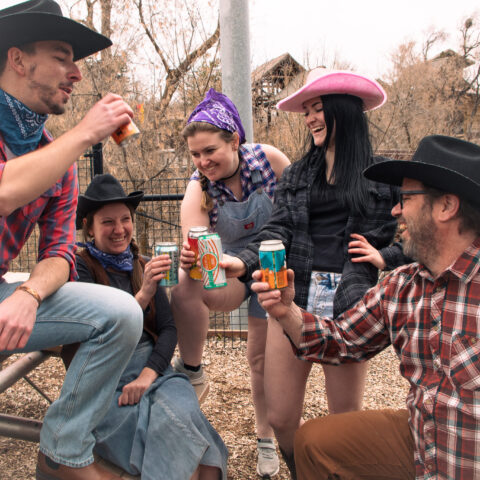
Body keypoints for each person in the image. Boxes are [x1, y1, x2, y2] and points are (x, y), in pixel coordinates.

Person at [252, 134, 480, 480]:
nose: (394, 210)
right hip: (422, 441)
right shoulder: (403, 287)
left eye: (405, 199)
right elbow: (340, 341)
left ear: (446, 207)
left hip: (467, 458)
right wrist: (286, 312)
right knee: (315, 441)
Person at [223, 67, 408, 477]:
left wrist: (385, 257)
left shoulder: (383, 177)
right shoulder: (298, 174)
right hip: (294, 295)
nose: (309, 118)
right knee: (282, 417)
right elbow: (278, 230)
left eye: (317, 108)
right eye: (306, 110)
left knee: (345, 422)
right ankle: (302, 472)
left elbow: (420, 234)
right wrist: (243, 262)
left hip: (350, 304)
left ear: (345, 110)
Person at [0, 2, 144, 479]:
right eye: (63, 56)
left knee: (122, 312)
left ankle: (62, 450)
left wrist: (29, 292)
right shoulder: (67, 148)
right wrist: (84, 133)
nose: (76, 73)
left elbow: (61, 253)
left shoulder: (56, 158)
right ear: (19, 60)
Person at [74, 174, 228, 480]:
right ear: (89, 227)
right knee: (190, 452)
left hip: (155, 371)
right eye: (107, 222)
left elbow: (169, 329)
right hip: (106, 379)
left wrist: (149, 375)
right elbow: (96, 331)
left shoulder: (141, 264)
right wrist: (144, 293)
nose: (119, 230)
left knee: (204, 460)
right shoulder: (79, 267)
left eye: (125, 219)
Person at [170, 88, 290, 478]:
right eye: (195, 154)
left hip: (272, 269)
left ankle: (266, 440)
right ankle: (192, 368)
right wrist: (191, 257)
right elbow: (194, 239)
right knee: (184, 285)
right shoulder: (198, 186)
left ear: (235, 140)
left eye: (210, 151)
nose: (203, 162)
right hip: (228, 272)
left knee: (259, 359)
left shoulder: (271, 161)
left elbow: (297, 217)